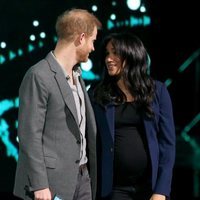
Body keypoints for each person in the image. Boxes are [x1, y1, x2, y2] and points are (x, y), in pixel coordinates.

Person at [13, 8, 102, 200]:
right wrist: (40, 185)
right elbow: (29, 134)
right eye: (93, 41)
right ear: (81, 38)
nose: (94, 48)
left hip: (82, 178)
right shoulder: (39, 75)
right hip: (51, 184)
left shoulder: (78, 76)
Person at [89, 32, 176, 200]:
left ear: (131, 54)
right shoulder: (98, 94)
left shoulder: (157, 91)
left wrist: (161, 191)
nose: (109, 58)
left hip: (149, 188)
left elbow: (167, 145)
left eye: (115, 52)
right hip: (114, 189)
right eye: (107, 53)